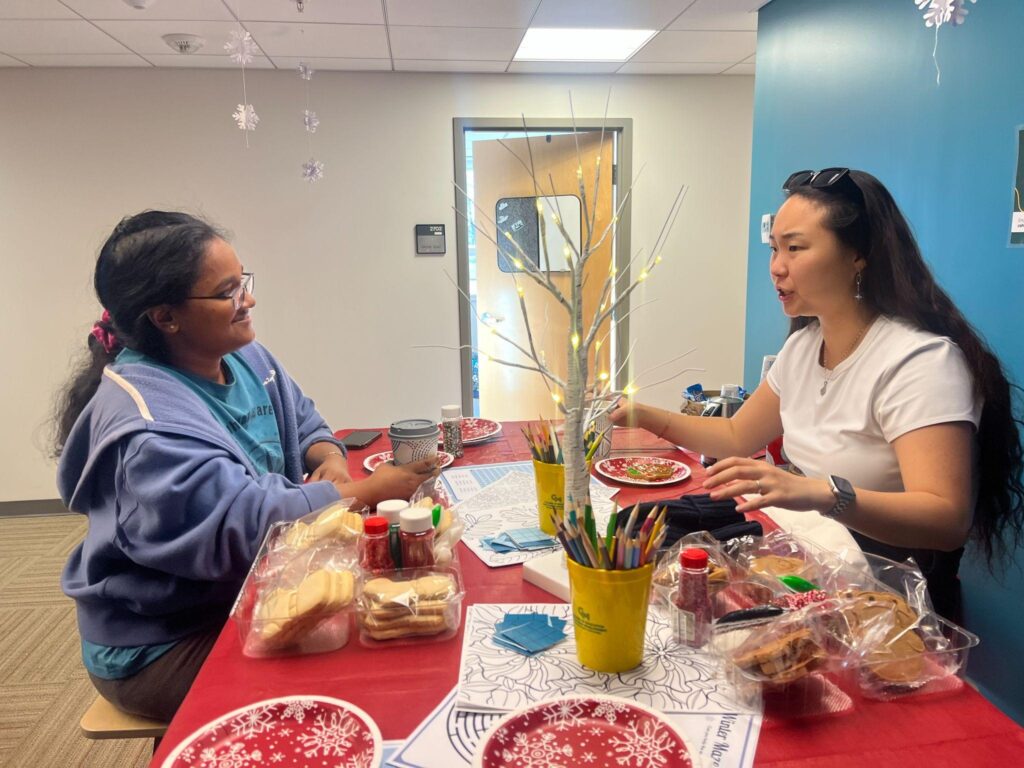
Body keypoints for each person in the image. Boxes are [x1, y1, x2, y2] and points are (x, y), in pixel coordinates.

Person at [53, 211, 436, 720]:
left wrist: (329, 460)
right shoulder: (148, 428)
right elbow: (243, 529)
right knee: (342, 682)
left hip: (241, 591)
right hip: (162, 641)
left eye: (244, 282)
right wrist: (363, 492)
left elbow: (305, 421)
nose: (247, 301)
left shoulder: (244, 358)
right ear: (166, 317)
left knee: (377, 622)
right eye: (227, 291)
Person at [611, 168, 1024, 619]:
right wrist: (640, 414)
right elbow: (735, 434)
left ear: (858, 256)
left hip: (892, 605)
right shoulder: (804, 346)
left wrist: (824, 494)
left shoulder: (919, 362)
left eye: (795, 247)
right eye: (774, 249)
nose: (776, 267)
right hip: (814, 575)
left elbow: (947, 520)